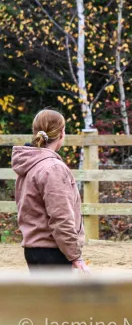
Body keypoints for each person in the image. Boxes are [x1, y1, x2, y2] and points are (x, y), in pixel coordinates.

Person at [11, 109, 90, 273]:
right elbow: (61, 216)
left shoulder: (30, 166)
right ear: (62, 133)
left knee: (42, 299)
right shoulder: (52, 168)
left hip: (33, 250)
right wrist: (75, 256)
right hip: (53, 252)